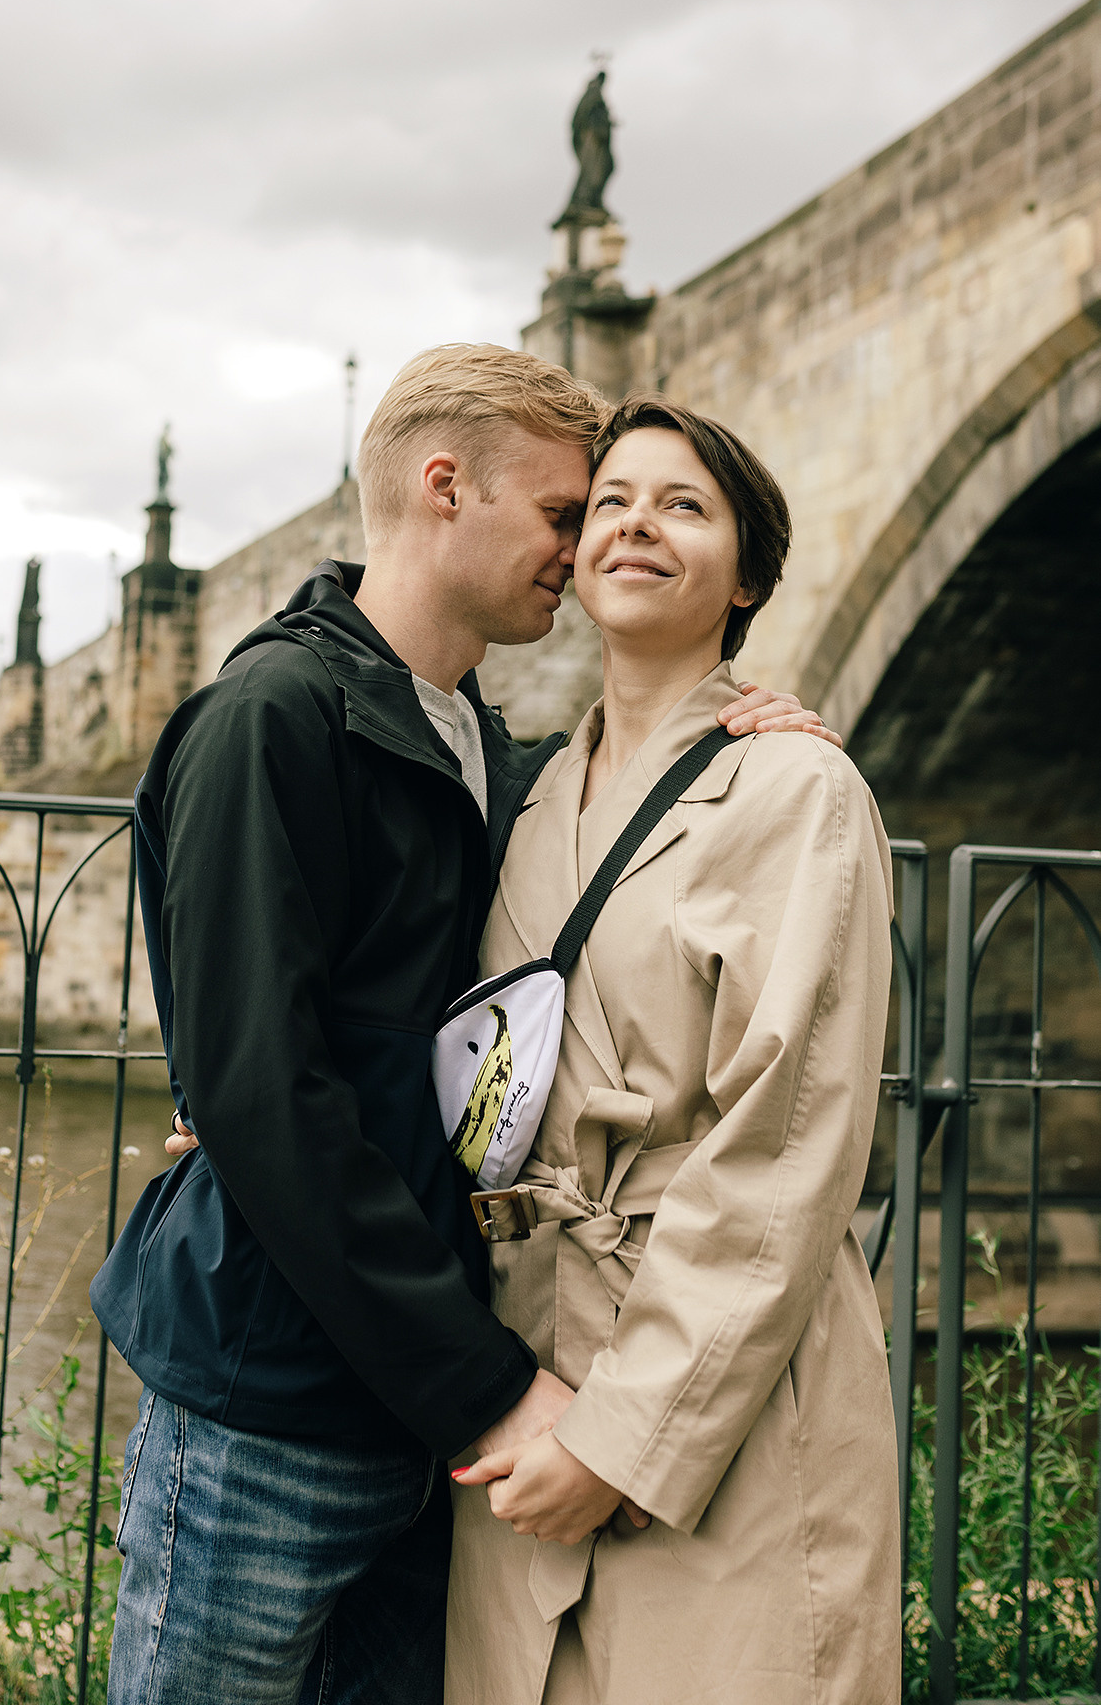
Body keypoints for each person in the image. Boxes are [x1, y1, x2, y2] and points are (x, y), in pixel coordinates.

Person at [92, 346, 842, 1705]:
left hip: (421, 1415)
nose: (581, 545)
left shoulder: (491, 754)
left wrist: (747, 726)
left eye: (637, 509)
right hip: (276, 1392)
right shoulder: (271, 715)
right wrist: (488, 1386)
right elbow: (263, 1094)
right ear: (446, 487)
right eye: (570, 510)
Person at [448, 394, 900, 1704]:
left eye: (683, 506)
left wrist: (625, 1437)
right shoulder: (528, 792)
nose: (637, 524)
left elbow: (784, 1148)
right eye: (611, 503)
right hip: (527, 1368)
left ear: (745, 576)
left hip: (715, 1390)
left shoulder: (797, 787)